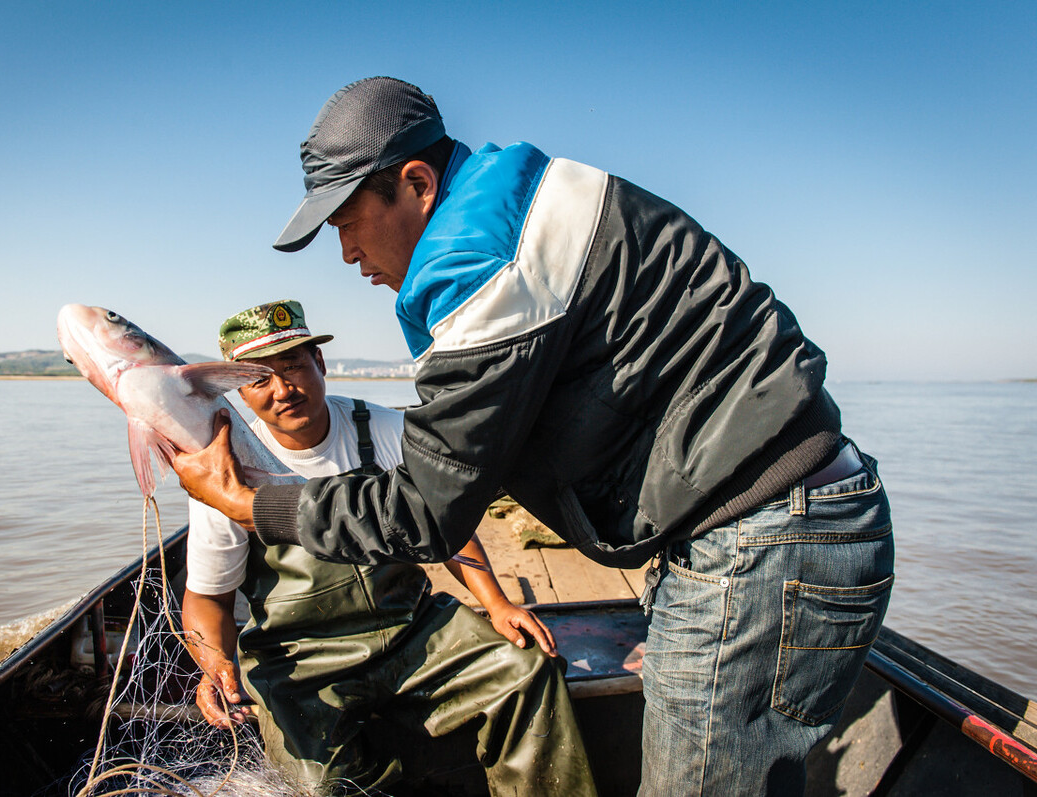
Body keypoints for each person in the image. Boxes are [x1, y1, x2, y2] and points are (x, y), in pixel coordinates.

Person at [174, 78, 895, 795]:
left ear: (417, 183)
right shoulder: (530, 198)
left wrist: (250, 502)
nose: (346, 253)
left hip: (759, 540)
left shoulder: (480, 262)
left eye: (346, 223)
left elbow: (429, 511)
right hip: (768, 520)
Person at [179, 299, 596, 796]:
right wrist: (215, 666)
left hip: (411, 629)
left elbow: (448, 527)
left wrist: (496, 603)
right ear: (239, 394)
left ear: (321, 364)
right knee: (316, 785)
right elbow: (208, 598)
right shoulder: (228, 474)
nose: (283, 390)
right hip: (301, 660)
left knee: (527, 672)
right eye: (259, 380)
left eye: (294, 368)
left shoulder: (385, 430)